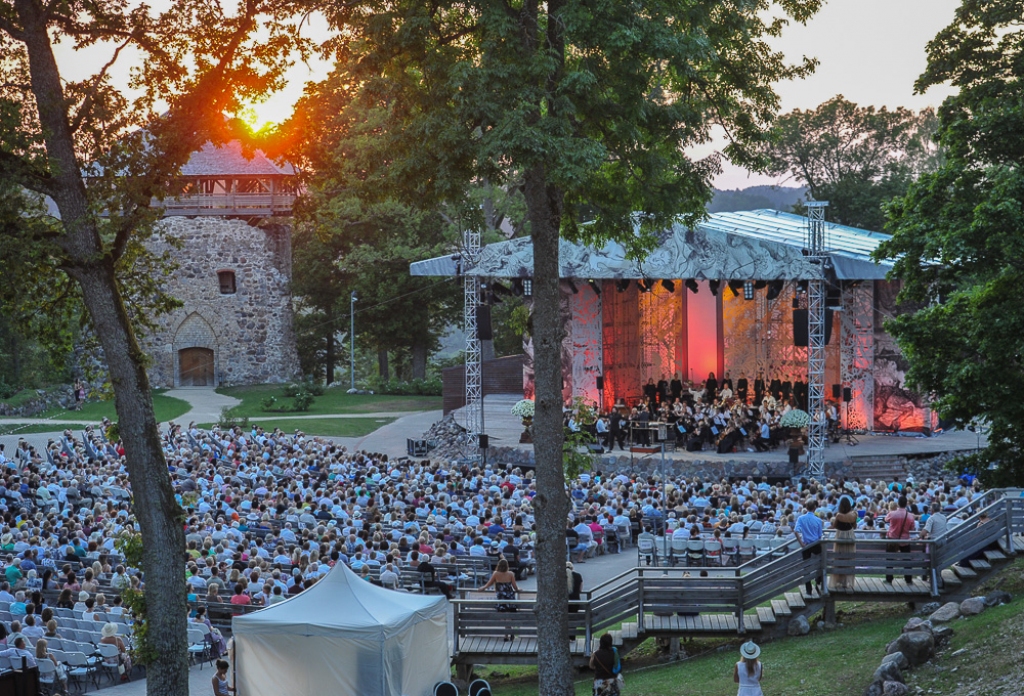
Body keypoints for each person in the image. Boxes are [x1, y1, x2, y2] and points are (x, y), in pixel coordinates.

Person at [480, 558, 520, 641]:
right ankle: (510, 632)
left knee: (504, 616)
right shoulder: (511, 574)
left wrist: (481, 588)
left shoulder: (496, 574)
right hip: (510, 597)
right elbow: (515, 587)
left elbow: (488, 584)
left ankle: (506, 635)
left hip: (501, 597)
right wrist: (520, 590)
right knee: (508, 615)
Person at [794, 500, 824, 596]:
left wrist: (801, 543)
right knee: (821, 562)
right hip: (815, 543)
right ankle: (819, 579)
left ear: (806, 508)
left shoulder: (801, 518)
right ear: (815, 508)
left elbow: (796, 531)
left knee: (806, 567)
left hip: (806, 544)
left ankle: (808, 589)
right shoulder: (818, 520)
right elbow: (820, 535)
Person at [885, 495, 916, 585]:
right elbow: (912, 528)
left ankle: (889, 578)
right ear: (906, 504)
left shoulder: (892, 513)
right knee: (907, 561)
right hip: (905, 541)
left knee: (889, 560)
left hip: (892, 540)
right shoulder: (910, 516)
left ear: (898, 503)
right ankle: (908, 579)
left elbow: (886, 519)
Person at [830, 496, 858, 591]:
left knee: (839, 558)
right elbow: (854, 526)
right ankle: (847, 581)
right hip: (850, 536)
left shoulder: (838, 516)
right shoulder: (854, 515)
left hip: (840, 536)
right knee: (849, 558)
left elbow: (835, 526)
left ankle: (838, 580)